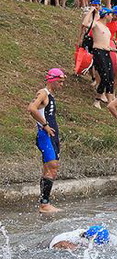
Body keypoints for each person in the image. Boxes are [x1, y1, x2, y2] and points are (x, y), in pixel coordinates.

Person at [27, 68, 67, 213]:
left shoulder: (50, 95)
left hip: (52, 136)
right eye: (60, 82)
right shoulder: (43, 93)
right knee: (52, 166)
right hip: (45, 136)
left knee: (49, 168)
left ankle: (44, 202)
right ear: (53, 80)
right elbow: (31, 108)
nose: (62, 85)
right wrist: (45, 125)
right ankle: (45, 204)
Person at [90, 7, 114, 108]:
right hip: (98, 52)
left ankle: (110, 102)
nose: (112, 17)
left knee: (110, 78)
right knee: (104, 77)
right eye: (111, 14)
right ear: (106, 15)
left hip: (106, 52)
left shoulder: (107, 29)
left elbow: (106, 44)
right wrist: (92, 11)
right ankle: (97, 100)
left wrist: (113, 50)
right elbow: (85, 24)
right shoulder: (97, 24)